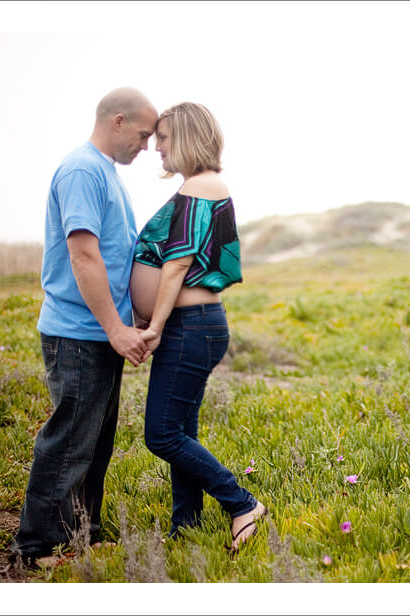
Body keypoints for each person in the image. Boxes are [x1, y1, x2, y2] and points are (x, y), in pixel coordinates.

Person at [10, 87, 159, 566]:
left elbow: (116, 256)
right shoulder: (82, 170)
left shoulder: (107, 175)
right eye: (142, 134)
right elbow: (84, 253)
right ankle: (36, 549)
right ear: (118, 121)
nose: (147, 145)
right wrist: (117, 328)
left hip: (100, 333)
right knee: (70, 440)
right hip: (79, 333)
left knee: (94, 443)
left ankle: (80, 536)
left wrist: (131, 321)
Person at [129, 102, 267, 552]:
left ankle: (241, 502)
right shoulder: (198, 186)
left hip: (190, 325)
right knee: (180, 431)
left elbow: (177, 263)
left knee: (162, 434)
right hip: (190, 325)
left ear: (187, 137)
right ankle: (185, 526)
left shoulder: (202, 186)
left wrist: (155, 326)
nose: (158, 148)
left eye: (165, 138)